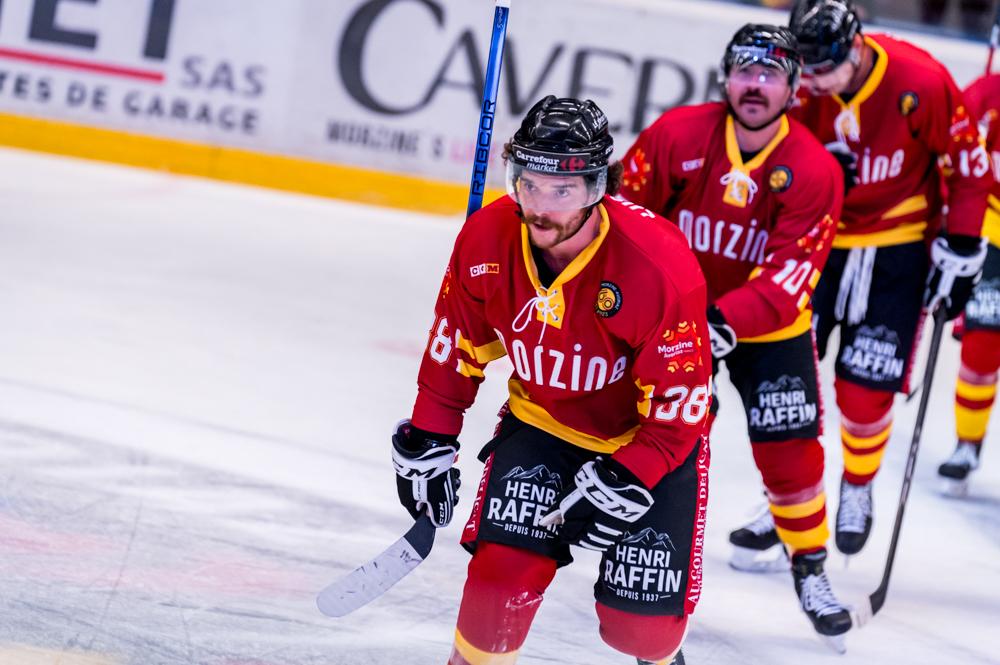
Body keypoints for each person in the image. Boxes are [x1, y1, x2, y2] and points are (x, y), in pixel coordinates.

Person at [392, 95, 711, 665]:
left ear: (598, 188)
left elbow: (683, 408)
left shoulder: (656, 265)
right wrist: (430, 435)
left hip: (644, 446)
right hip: (541, 426)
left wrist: (628, 474)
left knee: (641, 633)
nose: (541, 206)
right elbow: (455, 348)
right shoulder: (486, 239)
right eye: (529, 183)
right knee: (495, 594)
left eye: (562, 190)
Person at [621, 24, 852, 648]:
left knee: (791, 449)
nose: (755, 84)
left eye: (770, 73)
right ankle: (639, 548)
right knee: (663, 434)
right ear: (726, 76)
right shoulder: (676, 135)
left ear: (793, 86)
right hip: (677, 318)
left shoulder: (812, 168)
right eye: (744, 71)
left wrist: (720, 323)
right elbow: (625, 224)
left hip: (768, 327)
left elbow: (788, 279)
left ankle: (810, 569)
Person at [784, 0, 990, 556]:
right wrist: (814, 169)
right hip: (816, 243)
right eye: (808, 70)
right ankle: (786, 494)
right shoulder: (798, 82)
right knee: (786, 382)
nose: (816, 83)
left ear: (854, 48)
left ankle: (857, 483)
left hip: (896, 249)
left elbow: (969, 167)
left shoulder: (919, 78)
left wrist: (964, 245)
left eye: (825, 69)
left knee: (864, 388)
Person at [937, 71, 1000, 492]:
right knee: (983, 344)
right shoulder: (987, 91)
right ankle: (968, 441)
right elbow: (955, 154)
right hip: (994, 228)